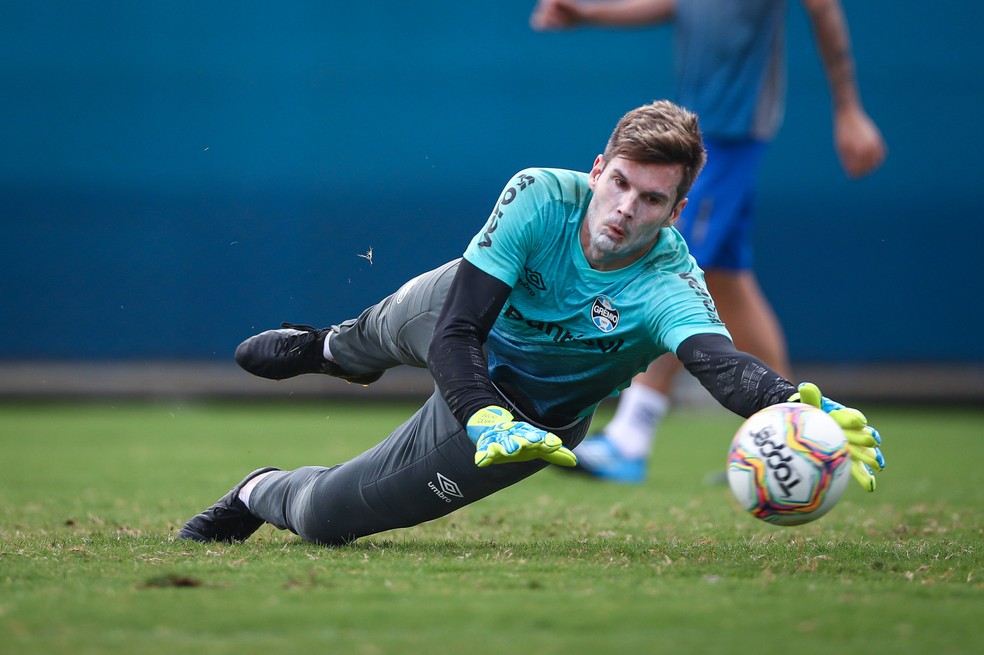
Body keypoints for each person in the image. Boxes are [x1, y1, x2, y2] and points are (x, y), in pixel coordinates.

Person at [177, 101, 884, 547]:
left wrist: (793, 405)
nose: (625, 209)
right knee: (379, 331)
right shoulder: (539, 194)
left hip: (526, 419)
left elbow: (719, 364)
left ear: (675, 212)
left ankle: (256, 490)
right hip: (464, 326)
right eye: (619, 183)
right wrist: (478, 410)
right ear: (598, 169)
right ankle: (330, 348)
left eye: (651, 200)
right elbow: (457, 329)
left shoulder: (669, 282)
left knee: (327, 518)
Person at [530, 0, 887, 483]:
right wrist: (591, 14)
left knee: (671, 279)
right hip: (703, 132)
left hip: (732, 132)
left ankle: (630, 437)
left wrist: (848, 109)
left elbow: (823, 7)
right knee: (727, 282)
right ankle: (795, 432)